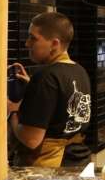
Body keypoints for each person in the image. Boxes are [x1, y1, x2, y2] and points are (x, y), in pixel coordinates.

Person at [7, 12, 92, 167]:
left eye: (33, 38)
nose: (27, 43)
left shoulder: (46, 77)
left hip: (50, 168)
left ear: (54, 44)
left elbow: (31, 139)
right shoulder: (80, 71)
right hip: (79, 162)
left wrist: (12, 111)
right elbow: (61, 104)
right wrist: (33, 86)